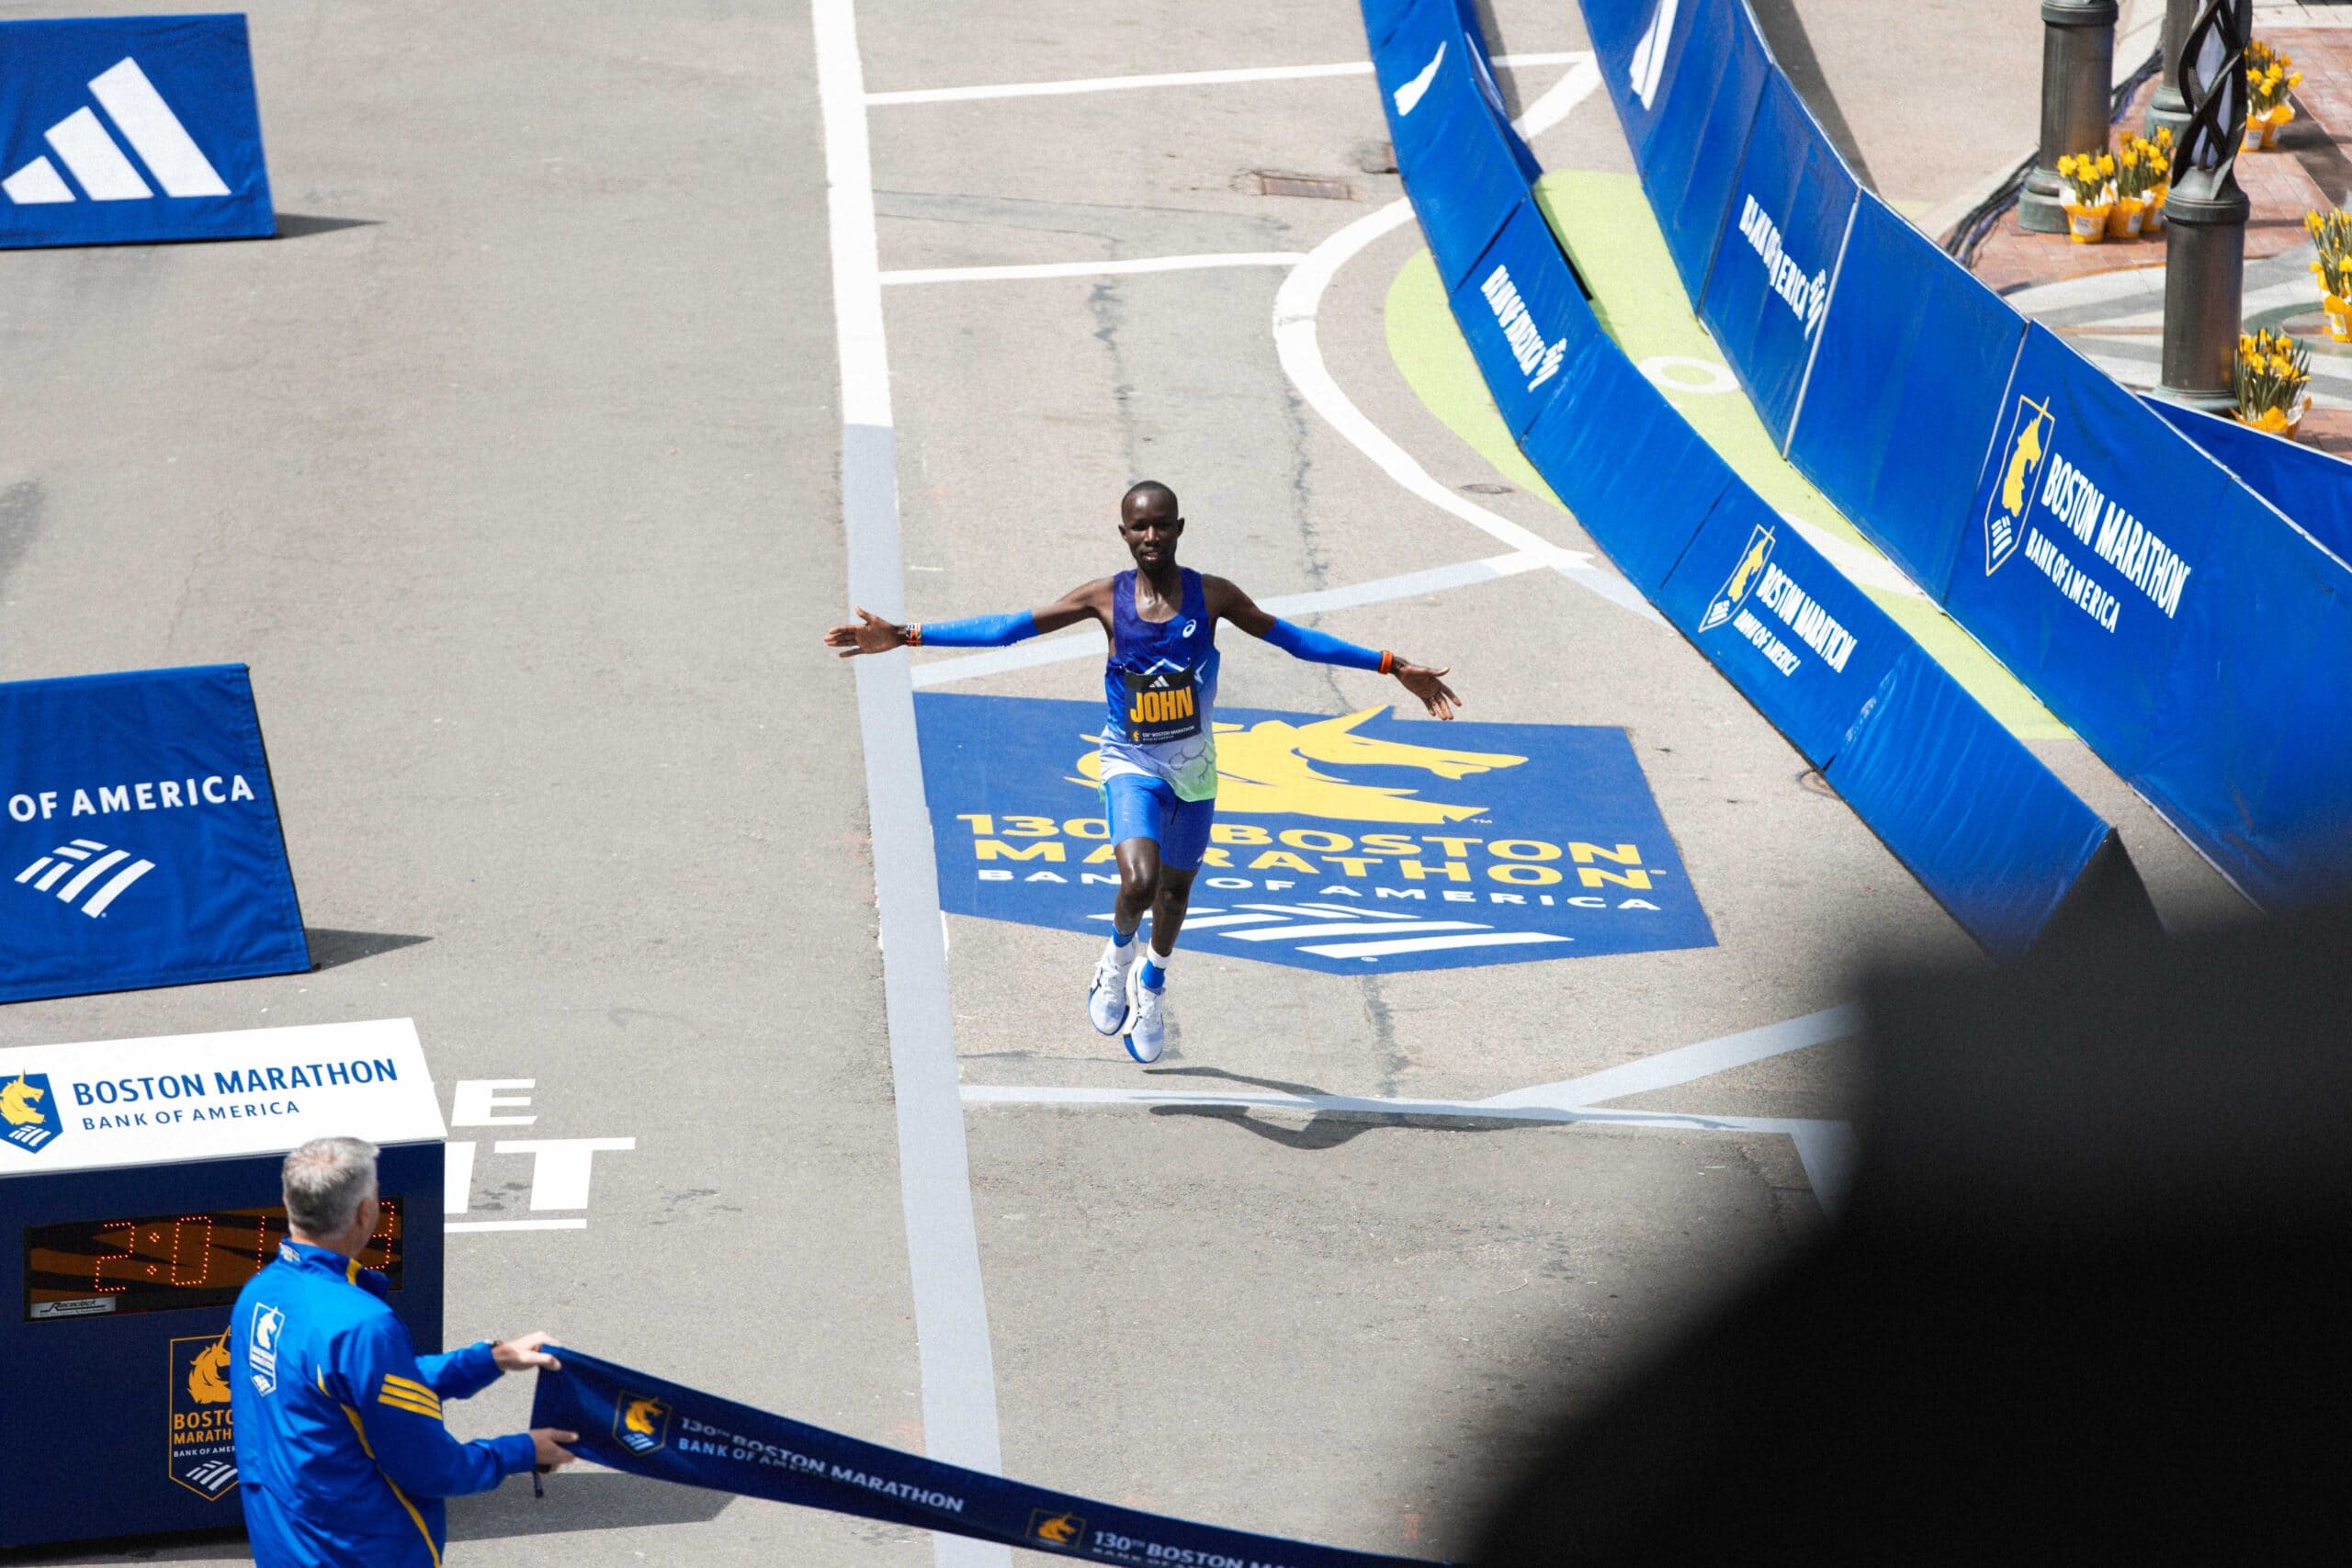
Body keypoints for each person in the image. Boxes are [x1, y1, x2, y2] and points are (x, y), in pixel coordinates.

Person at [826, 479, 1460, 1062]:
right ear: (1124, 535)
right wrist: (907, 635)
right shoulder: (1105, 599)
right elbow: (1007, 631)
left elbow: (1294, 639)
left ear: (1179, 528)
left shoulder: (1213, 596)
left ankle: (1152, 981)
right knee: (1139, 880)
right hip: (1130, 761)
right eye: (1139, 527)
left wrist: (1390, 663)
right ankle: (1115, 958)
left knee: (1175, 895)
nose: (1150, 536)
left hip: (1195, 771)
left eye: (1161, 525)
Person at [230, 1136, 579, 1566]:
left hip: (287, 1549)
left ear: (288, 1201)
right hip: (360, 1554)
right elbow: (430, 1467)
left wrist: (491, 1359)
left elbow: (364, 1389)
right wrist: (522, 1451)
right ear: (366, 1211)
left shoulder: (258, 1296)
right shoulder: (363, 1325)